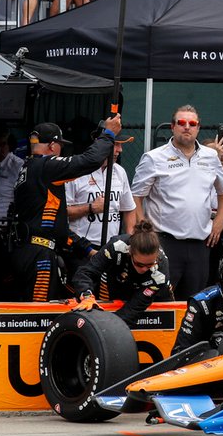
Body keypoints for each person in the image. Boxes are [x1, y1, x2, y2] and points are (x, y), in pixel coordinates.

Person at [11, 117, 122, 302]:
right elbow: (89, 161)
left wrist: (89, 251)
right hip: (39, 255)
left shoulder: (28, 168)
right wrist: (108, 134)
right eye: (60, 146)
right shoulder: (46, 166)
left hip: (28, 249)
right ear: (53, 146)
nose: (61, 150)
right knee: (38, 312)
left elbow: (59, 226)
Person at [131, 105, 223, 298]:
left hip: (200, 245)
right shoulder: (154, 158)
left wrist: (220, 220)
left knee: (195, 303)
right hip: (164, 243)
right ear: (172, 126)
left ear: (198, 128)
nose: (187, 127)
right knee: (160, 302)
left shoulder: (210, 157)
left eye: (192, 123)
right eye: (181, 123)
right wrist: (144, 229)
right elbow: (135, 196)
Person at [66, 220, 171, 327]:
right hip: (118, 286)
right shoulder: (116, 246)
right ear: (130, 253)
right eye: (139, 264)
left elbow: (133, 309)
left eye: (149, 265)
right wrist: (86, 295)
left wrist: (106, 327)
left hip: (154, 303)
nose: (144, 269)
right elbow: (85, 272)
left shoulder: (160, 272)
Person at [66, 126, 137, 248]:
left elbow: (129, 208)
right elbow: (62, 212)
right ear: (100, 144)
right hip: (82, 246)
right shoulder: (76, 170)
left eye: (121, 145)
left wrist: (130, 240)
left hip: (112, 246)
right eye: (116, 144)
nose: (120, 150)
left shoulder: (120, 171)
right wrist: (90, 208)